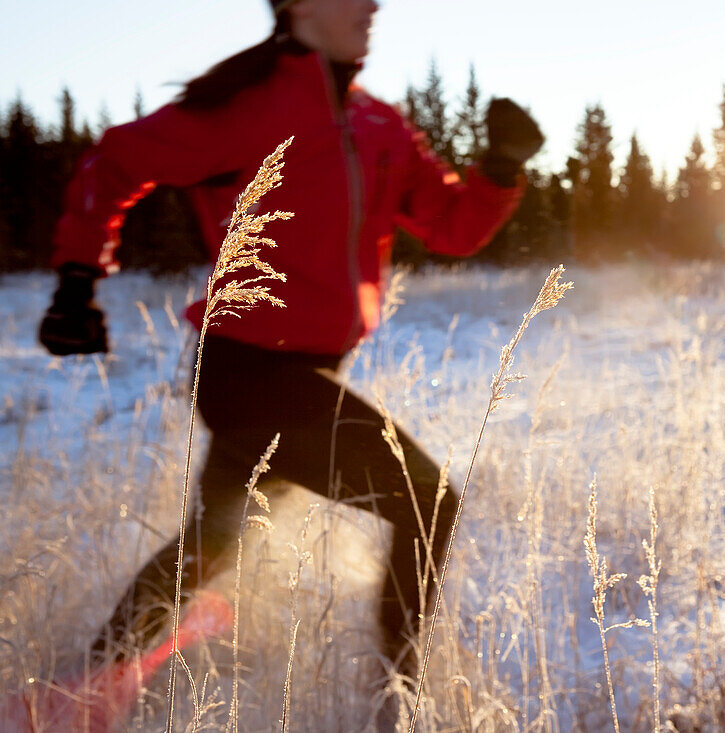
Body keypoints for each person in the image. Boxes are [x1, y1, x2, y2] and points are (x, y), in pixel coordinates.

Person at [37, 0, 543, 669]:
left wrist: (500, 167)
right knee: (428, 500)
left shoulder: (378, 123)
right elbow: (118, 161)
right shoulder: (248, 105)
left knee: (215, 543)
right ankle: (400, 698)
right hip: (246, 372)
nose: (372, 5)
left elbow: (451, 225)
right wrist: (78, 278)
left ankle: (90, 685)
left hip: (306, 373)